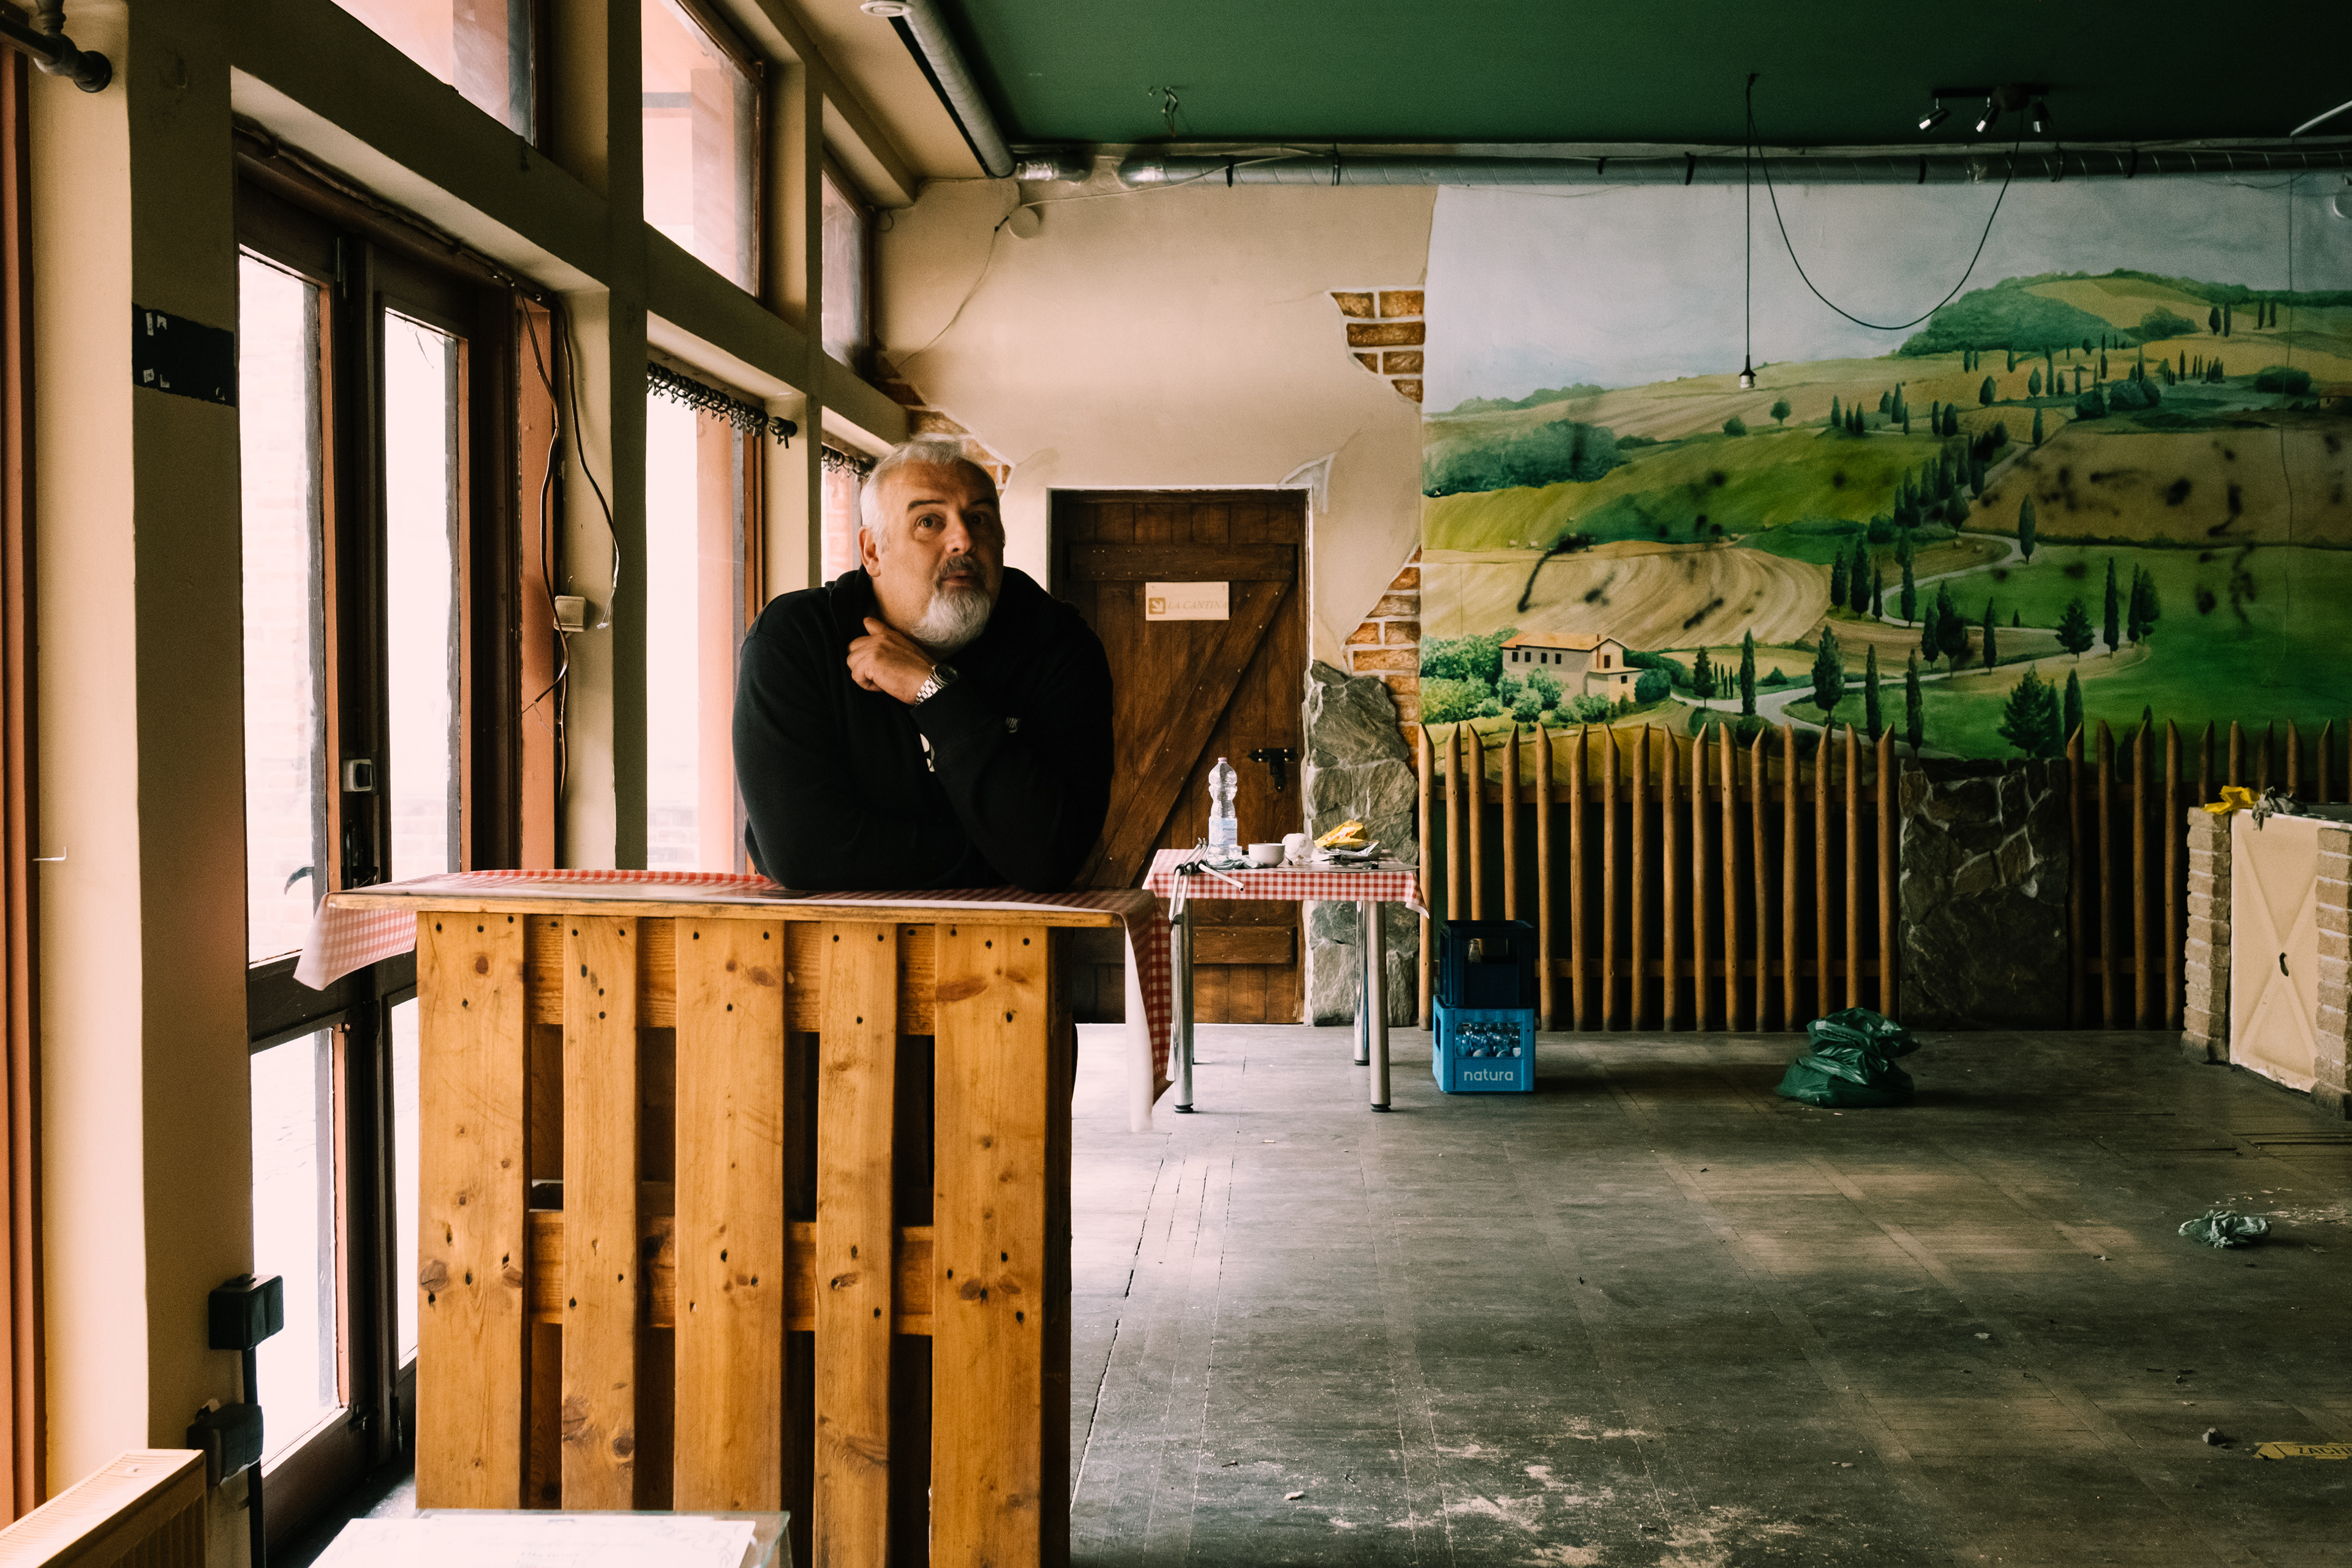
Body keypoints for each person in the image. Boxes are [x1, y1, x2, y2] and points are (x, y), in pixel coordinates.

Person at [733, 435, 1113, 891]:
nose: (963, 540)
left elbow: (1053, 856)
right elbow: (804, 853)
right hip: (831, 934)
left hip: (1019, 936)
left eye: (979, 519)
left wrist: (934, 691)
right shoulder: (793, 639)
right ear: (873, 551)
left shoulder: (1059, 645)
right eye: (929, 522)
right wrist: (1002, 862)